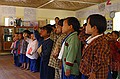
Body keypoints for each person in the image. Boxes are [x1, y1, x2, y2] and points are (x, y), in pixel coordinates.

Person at [79, 14, 111, 79]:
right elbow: (81, 37)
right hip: (87, 71)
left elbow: (99, 60)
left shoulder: (101, 41)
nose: (85, 26)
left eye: (87, 24)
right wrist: (83, 29)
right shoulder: (91, 37)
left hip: (95, 75)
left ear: (94, 28)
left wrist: (92, 72)